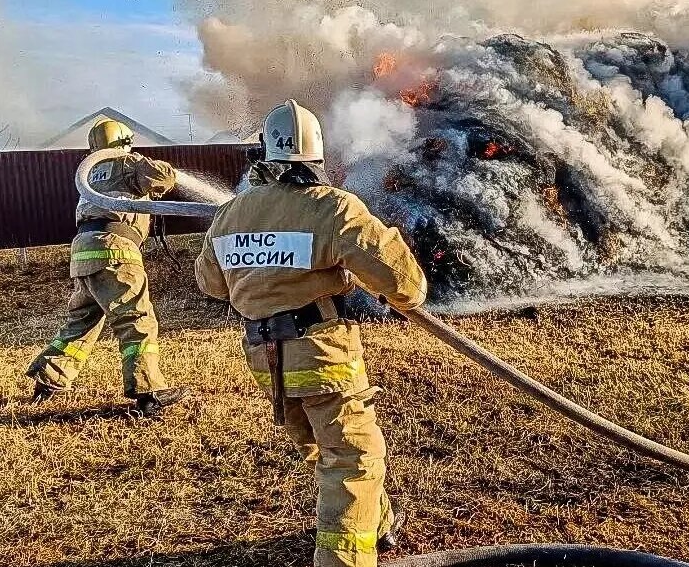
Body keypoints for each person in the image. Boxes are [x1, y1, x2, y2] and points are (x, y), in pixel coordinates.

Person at [195, 100, 427, 567]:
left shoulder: (230, 214)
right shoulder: (332, 208)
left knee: (324, 449)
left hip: (265, 360)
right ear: (316, 157)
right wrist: (407, 299)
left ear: (265, 155)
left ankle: (375, 521)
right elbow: (401, 281)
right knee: (353, 457)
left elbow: (211, 284)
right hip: (323, 354)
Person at [26, 119, 188, 417]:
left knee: (82, 321)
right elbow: (162, 177)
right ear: (124, 141)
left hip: (83, 251)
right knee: (136, 319)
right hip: (116, 249)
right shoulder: (127, 162)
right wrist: (164, 170)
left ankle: (48, 379)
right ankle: (148, 391)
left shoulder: (91, 172)